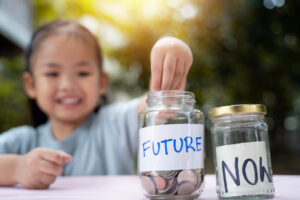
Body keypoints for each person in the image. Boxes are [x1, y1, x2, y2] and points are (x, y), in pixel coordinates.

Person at [0, 19, 193, 189]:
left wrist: (171, 49)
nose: (67, 86)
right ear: (31, 84)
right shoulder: (22, 142)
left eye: (82, 73)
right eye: (53, 74)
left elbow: (158, 106)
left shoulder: (116, 123)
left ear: (102, 82)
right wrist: (16, 168)